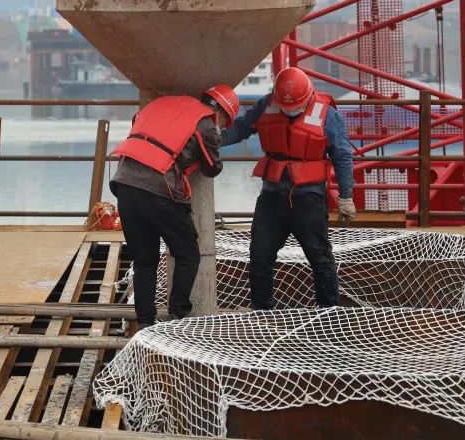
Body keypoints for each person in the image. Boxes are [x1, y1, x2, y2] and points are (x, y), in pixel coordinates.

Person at [221, 66, 355, 310]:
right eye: (284, 105)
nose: (288, 109)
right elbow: (241, 128)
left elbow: (343, 156)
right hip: (271, 197)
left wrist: (346, 197)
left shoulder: (328, 116)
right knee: (260, 255)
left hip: (308, 199)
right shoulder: (267, 105)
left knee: (320, 257)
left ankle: (328, 314)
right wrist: (212, 140)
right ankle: (261, 311)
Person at [109, 84, 240, 328]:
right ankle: (176, 317)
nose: (221, 126)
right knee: (188, 252)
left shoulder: (158, 105)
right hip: (159, 190)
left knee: (144, 259)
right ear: (222, 112)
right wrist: (215, 138)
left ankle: (145, 323)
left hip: (124, 184)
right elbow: (213, 168)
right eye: (225, 122)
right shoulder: (207, 123)